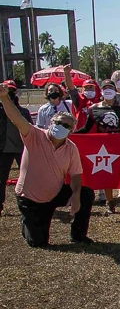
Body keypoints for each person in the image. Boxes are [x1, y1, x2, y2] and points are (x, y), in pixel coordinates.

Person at [0, 84, 94, 246]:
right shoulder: (34, 135)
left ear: (71, 130)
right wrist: (3, 97)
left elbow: (76, 175)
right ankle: (27, 223)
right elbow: (16, 118)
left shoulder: (71, 148)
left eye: (66, 126)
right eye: (58, 122)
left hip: (54, 194)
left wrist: (76, 196)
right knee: (38, 242)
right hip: (30, 199)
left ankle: (78, 235)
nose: (61, 127)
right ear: (51, 122)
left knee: (86, 193)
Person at [76, 79, 120, 215]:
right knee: (106, 172)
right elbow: (86, 128)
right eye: (105, 88)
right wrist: (72, 134)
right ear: (101, 91)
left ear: (115, 90)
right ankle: (110, 203)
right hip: (103, 144)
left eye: (110, 87)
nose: (108, 90)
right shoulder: (94, 108)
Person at [0, 81, 33, 215]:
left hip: (22, 149)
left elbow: (31, 129)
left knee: (28, 177)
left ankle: (30, 202)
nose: (10, 94)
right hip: (3, 149)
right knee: (1, 179)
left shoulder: (23, 111)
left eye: (12, 91)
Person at [64, 64, 102, 130]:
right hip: (81, 134)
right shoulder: (78, 99)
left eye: (91, 87)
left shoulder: (101, 100)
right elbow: (71, 88)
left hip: (97, 134)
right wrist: (67, 74)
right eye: (86, 88)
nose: (89, 90)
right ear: (82, 89)